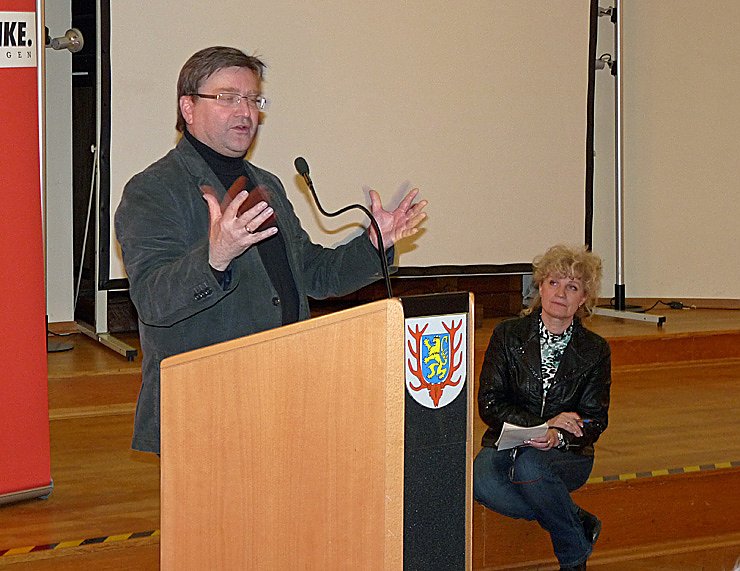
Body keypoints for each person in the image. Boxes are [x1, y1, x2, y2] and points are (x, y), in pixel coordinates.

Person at [115, 46, 427, 455]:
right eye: (228, 97)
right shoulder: (154, 190)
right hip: (206, 408)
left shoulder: (267, 185)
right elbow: (152, 300)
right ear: (188, 107)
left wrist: (372, 245)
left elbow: (313, 273)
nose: (245, 112)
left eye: (253, 99)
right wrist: (215, 258)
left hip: (284, 393)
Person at [473, 244, 611, 571]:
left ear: (583, 299)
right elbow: (489, 402)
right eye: (553, 282)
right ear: (540, 287)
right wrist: (543, 424)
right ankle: (576, 520)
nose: (560, 293)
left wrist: (557, 437)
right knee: (481, 482)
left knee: (530, 467)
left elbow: (594, 419)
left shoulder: (595, 350)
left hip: (568, 452)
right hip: (509, 440)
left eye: (572, 287)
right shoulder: (507, 335)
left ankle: (572, 558)